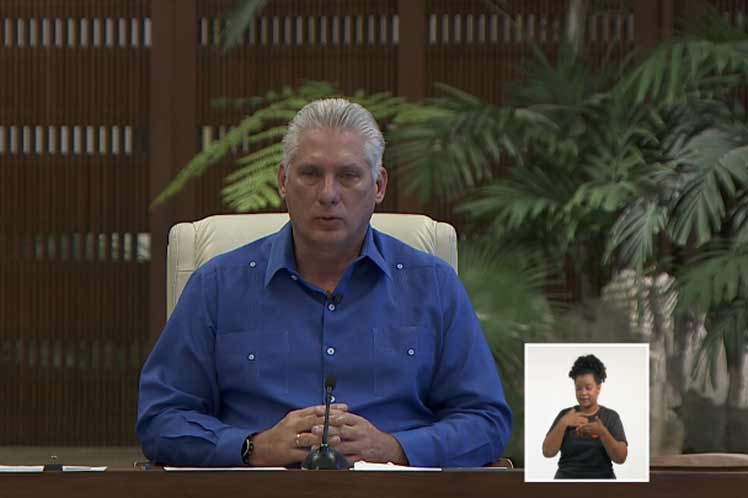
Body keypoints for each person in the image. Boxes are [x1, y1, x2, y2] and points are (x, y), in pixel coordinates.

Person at [136, 98, 512, 468]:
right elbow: (161, 418)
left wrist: (395, 449)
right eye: (311, 174)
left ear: (378, 186)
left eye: (348, 176)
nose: (328, 194)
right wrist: (252, 447)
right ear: (283, 181)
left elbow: (486, 422)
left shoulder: (432, 285)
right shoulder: (217, 286)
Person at [542, 354, 628, 479]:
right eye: (578, 388)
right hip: (566, 480)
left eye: (588, 388)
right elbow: (547, 452)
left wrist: (603, 433)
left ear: (598, 388)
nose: (583, 393)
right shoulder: (565, 415)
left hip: (602, 481)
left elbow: (621, 458)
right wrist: (563, 423)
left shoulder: (610, 417)